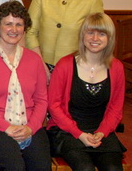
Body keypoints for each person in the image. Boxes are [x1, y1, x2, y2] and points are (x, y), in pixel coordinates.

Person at [0, 0, 51, 170]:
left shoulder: (34, 60)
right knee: (15, 166)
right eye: (8, 24)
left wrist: (31, 127)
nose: (13, 30)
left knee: (42, 167)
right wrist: (7, 127)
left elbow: (42, 100)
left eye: (19, 24)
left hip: (29, 123)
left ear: (24, 28)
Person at [47, 12, 127, 170]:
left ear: (109, 38)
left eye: (101, 34)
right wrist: (79, 134)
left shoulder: (117, 67)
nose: (95, 39)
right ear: (82, 35)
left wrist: (102, 132)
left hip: (101, 132)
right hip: (68, 131)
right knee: (85, 168)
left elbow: (116, 109)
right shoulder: (65, 65)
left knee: (113, 168)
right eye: (90, 32)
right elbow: (54, 106)